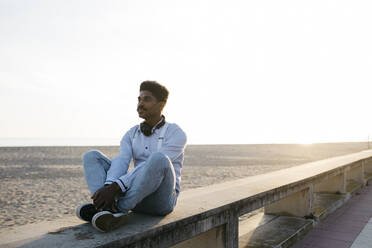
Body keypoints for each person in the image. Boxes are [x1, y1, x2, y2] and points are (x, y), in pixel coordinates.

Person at [76, 81, 187, 232]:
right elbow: (122, 160)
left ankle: (117, 210)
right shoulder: (131, 133)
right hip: (138, 196)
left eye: (146, 99)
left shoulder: (176, 133)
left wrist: (117, 187)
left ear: (161, 104)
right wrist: (109, 186)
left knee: (158, 159)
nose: (140, 104)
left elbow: (151, 165)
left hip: (162, 200)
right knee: (91, 156)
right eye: (139, 99)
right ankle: (102, 206)